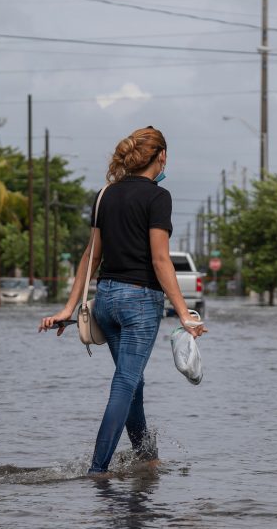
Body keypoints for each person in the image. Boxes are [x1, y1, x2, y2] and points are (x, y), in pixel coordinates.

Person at [39, 126, 207, 475]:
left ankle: (146, 458)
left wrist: (68, 308)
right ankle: (97, 470)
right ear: (161, 156)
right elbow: (160, 260)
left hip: (106, 300)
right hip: (139, 303)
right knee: (126, 383)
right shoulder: (158, 198)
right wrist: (184, 314)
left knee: (133, 382)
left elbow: (91, 256)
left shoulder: (105, 195)